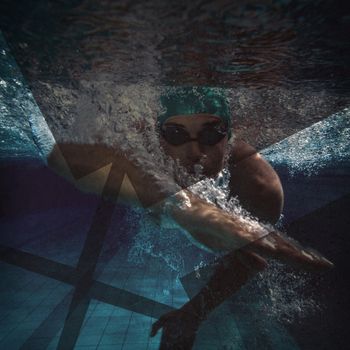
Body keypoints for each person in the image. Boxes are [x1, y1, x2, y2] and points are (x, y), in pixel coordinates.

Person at [47, 85, 333, 349]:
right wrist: (180, 204)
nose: (195, 151)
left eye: (211, 134)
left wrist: (194, 314)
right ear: (159, 137)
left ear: (229, 136)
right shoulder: (146, 148)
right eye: (175, 134)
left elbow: (247, 259)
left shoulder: (259, 188)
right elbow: (59, 157)